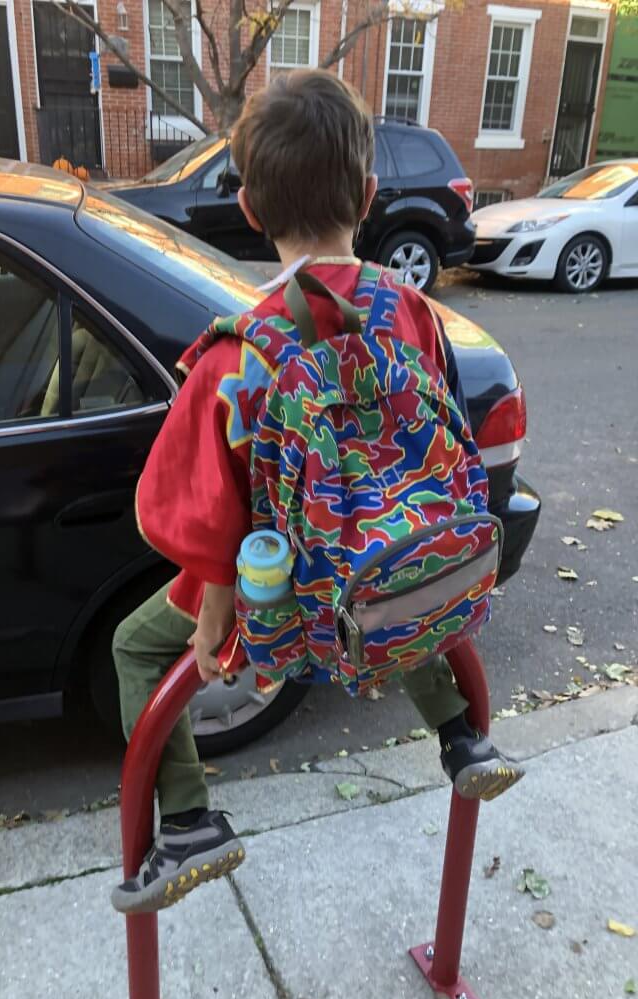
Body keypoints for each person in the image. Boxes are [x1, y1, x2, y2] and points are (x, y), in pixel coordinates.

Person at [111, 70, 523, 916]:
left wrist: (218, 603)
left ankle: (187, 823)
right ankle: (461, 734)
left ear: (251, 212)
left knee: (135, 648)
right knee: (395, 579)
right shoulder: (412, 311)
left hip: (277, 596)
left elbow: (198, 505)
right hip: (382, 563)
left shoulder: (239, 351)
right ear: (369, 196)